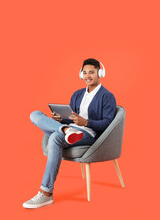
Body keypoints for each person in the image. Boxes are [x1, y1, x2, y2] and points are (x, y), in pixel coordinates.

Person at [23, 58, 116, 209]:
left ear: (100, 73)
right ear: (80, 74)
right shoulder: (77, 94)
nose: (88, 76)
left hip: (89, 134)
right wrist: (60, 120)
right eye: (84, 72)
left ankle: (46, 193)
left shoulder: (107, 96)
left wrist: (85, 122)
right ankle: (65, 130)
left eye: (91, 72)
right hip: (72, 130)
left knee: (55, 137)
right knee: (34, 114)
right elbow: (71, 117)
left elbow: (107, 124)